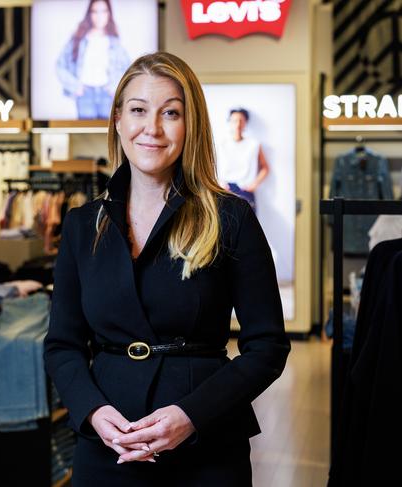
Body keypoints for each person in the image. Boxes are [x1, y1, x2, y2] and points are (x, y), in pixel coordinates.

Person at [44, 52, 290, 486]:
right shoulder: (84, 226)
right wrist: (94, 413)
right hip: (108, 446)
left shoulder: (231, 219)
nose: (152, 128)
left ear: (190, 124)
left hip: (205, 446)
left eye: (170, 113)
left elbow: (267, 346)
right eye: (138, 110)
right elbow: (62, 345)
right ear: (118, 120)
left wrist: (191, 415)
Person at [56, 0, 130, 120]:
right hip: (85, 95)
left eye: (103, 11)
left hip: (107, 95)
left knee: (108, 135)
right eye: (95, 11)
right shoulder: (78, 39)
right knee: (85, 135)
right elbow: (60, 65)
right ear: (89, 14)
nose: (99, 16)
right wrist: (75, 86)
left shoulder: (114, 42)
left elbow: (128, 68)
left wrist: (114, 87)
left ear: (109, 14)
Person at [215, 108, 270, 212]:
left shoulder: (254, 145)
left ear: (246, 123)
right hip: (225, 190)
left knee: (247, 225)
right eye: (234, 120)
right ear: (229, 122)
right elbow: (211, 166)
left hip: (245, 191)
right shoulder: (220, 144)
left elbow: (265, 168)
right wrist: (219, 183)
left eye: (241, 120)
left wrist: (254, 185)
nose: (238, 124)